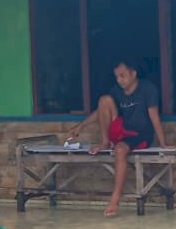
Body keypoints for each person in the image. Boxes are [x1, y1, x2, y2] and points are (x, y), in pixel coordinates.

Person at [67, 61, 170, 217]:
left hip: (139, 135)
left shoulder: (147, 89)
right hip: (121, 131)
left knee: (120, 149)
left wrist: (163, 144)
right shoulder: (116, 91)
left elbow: (154, 117)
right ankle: (104, 141)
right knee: (104, 100)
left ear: (133, 74)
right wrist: (80, 126)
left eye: (123, 76)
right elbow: (100, 111)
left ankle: (115, 198)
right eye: (117, 77)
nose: (119, 80)